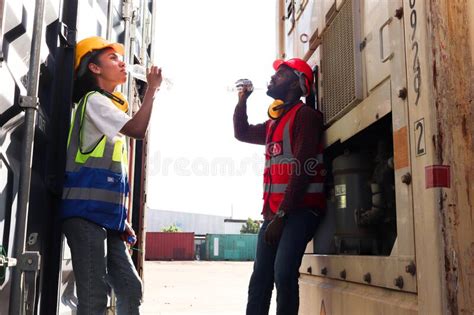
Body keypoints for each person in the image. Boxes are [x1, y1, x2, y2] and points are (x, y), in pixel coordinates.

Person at [60, 36, 162, 315]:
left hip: (107, 218)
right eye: (113, 58)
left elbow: (111, 176)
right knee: (94, 298)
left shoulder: (109, 108)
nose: (122, 63)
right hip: (85, 215)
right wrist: (152, 90)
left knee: (130, 288)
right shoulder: (94, 102)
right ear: (94, 69)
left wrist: (122, 220)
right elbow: (138, 130)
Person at [233, 58, 326, 315]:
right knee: (260, 280)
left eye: (282, 74)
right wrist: (243, 100)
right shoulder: (273, 124)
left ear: (298, 84)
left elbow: (301, 168)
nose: (273, 77)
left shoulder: (306, 116)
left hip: (300, 212)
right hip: (275, 215)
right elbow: (241, 133)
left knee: (283, 274)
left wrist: (282, 215)